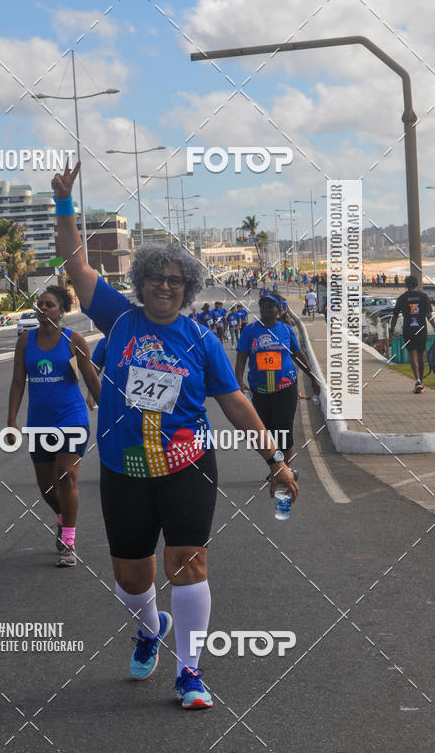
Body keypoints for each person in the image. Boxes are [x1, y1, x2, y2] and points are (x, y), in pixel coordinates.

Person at [52, 163, 297, 709]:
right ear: (141, 283)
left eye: (175, 281)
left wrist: (275, 460)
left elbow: (236, 403)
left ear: (186, 290)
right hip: (123, 469)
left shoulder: (202, 340)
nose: (164, 286)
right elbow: (76, 265)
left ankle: (190, 672)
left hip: (187, 465)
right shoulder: (119, 319)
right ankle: (149, 627)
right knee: (131, 579)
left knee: (187, 563)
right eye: (156, 278)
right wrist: (65, 204)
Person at [8, 285, 100, 566]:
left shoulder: (73, 340)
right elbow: (17, 382)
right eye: (40, 303)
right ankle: (62, 518)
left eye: (49, 304)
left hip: (71, 418)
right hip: (39, 422)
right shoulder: (25, 341)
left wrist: (111, 414)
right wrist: (11, 421)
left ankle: (68, 541)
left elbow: (91, 379)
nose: (42, 308)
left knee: (66, 476)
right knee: (47, 487)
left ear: (61, 310)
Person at [235, 293, 321, 467]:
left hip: (286, 387)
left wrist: (312, 377)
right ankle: (276, 468)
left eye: (270, 306)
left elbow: (297, 355)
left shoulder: (286, 330)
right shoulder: (249, 331)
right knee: (268, 431)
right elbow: (241, 359)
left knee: (284, 428)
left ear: (278, 310)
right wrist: (238, 382)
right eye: (263, 306)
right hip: (260, 389)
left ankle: (285, 470)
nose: (266, 309)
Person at [389, 275, 435, 393]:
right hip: (421, 330)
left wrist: (392, 331)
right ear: (417, 284)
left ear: (406, 285)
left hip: (408, 330)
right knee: (420, 355)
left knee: (412, 355)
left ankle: (418, 380)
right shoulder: (423, 296)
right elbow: (429, 316)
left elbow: (395, 316)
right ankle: (421, 383)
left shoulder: (402, 298)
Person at [86, 335, 107, 409]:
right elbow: (94, 369)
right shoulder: (105, 342)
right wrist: (91, 392)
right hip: (110, 394)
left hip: (138, 397)